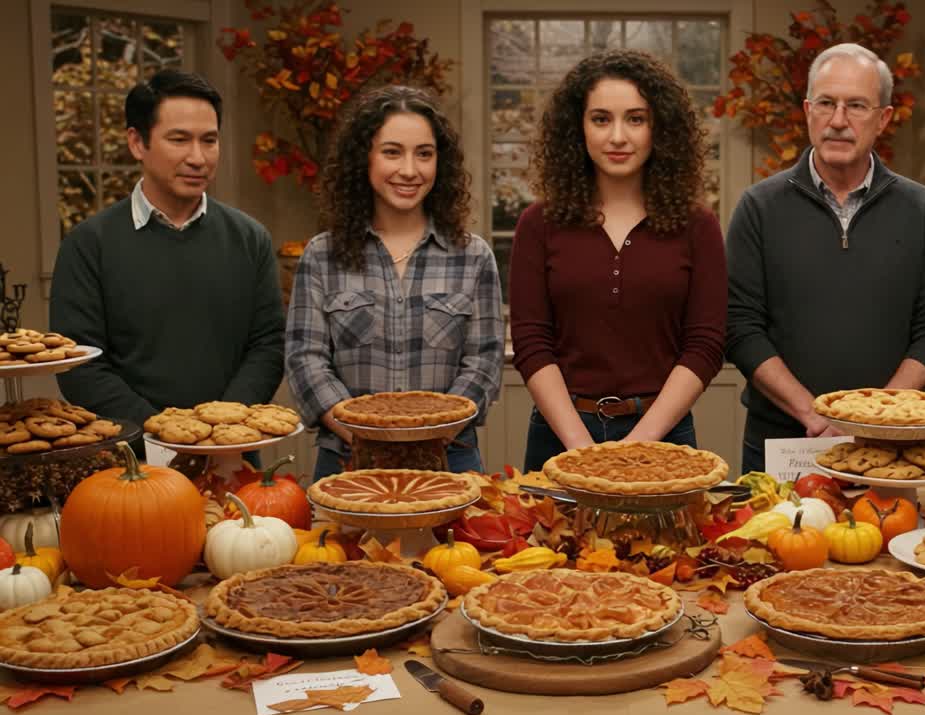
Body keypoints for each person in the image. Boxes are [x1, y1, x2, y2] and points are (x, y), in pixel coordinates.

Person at [725, 43, 925, 474]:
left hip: (892, 450)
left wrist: (876, 421)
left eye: (856, 106)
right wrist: (815, 416)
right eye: (827, 104)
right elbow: (741, 328)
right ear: (807, 110)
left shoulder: (922, 209)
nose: (838, 121)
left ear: (883, 118)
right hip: (782, 443)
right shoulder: (758, 207)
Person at [510, 49, 727, 472]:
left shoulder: (696, 224)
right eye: (601, 119)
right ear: (578, 128)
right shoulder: (539, 223)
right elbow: (533, 343)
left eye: (635, 118)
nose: (617, 137)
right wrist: (579, 448)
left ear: (658, 128)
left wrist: (637, 443)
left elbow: (705, 345)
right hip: (559, 436)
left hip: (665, 437)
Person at [286, 85, 503, 479]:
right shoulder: (322, 255)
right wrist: (369, 436)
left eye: (424, 154)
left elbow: (484, 363)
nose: (409, 169)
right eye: (392, 152)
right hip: (347, 462)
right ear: (363, 159)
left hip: (450, 462)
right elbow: (306, 361)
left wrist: (427, 435)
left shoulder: (472, 256)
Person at [51, 70, 283, 432]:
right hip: (125, 464)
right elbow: (81, 366)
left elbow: (268, 346)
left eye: (209, 140)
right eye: (179, 140)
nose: (198, 158)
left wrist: (218, 432)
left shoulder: (250, 238)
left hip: (229, 454)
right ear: (137, 143)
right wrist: (163, 434)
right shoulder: (88, 245)